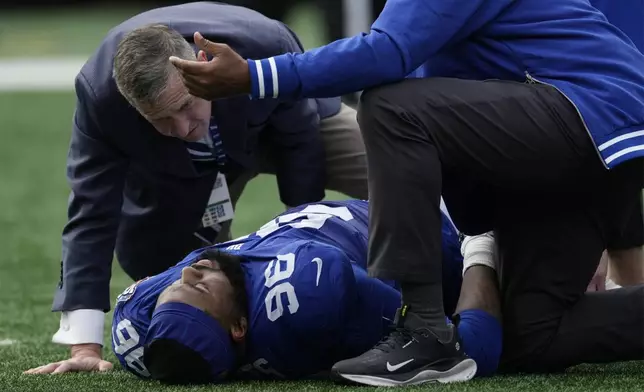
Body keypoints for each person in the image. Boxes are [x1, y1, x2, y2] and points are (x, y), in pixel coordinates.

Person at [168, 0, 644, 385]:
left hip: (589, 114)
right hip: (576, 136)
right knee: (535, 336)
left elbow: (387, 55)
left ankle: (424, 332)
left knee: (392, 107)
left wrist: (255, 77)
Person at [26, 2, 369, 376]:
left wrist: (299, 239)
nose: (183, 127)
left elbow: (300, 143)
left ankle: (429, 294)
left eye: (186, 104)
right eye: (161, 118)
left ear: (202, 63)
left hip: (277, 125)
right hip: (181, 171)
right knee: (167, 274)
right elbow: (90, 213)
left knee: (397, 162)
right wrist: (84, 346)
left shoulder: (264, 43)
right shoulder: (100, 96)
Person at [110, 199, 501, 384]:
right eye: (197, 288)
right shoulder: (303, 299)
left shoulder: (141, 329)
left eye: (176, 285)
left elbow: (148, 299)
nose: (190, 271)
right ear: (240, 327)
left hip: (389, 202)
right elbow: (468, 349)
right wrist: (479, 246)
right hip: (445, 228)